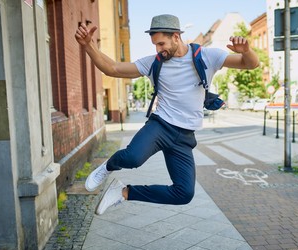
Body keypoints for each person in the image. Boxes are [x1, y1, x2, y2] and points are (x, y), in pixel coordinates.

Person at [75, 14, 259, 215]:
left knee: (184, 193)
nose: (158, 49)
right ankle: (108, 167)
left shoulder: (207, 56)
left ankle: (123, 192)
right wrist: (88, 46)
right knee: (132, 158)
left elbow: (250, 64)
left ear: (177, 37)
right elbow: (113, 68)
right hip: (161, 126)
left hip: (185, 137)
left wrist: (247, 51)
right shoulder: (154, 63)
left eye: (161, 43)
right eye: (155, 45)